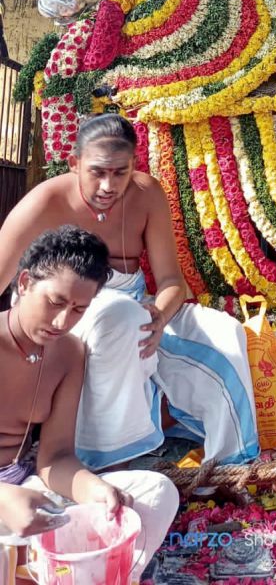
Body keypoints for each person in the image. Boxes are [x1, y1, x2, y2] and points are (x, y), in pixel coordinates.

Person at [0, 114, 258, 471]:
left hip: (141, 305)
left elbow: (172, 282)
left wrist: (159, 317)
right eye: (97, 172)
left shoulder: (147, 193)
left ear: (134, 165)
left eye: (120, 173)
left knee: (225, 332)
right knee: (118, 318)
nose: (108, 185)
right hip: (68, 308)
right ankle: (110, 462)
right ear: (74, 164)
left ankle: (232, 465)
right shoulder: (45, 201)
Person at [0, 227, 179, 583]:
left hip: (27, 489)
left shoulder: (68, 353)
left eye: (78, 309)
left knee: (156, 494)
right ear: (23, 283)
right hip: (8, 499)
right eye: (55, 302)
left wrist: (95, 490)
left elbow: (55, 459)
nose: (62, 321)